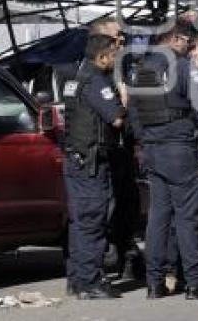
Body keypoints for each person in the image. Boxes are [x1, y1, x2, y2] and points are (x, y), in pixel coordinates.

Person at [127, 22, 198, 300]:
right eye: (187, 41)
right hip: (179, 148)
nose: (190, 46)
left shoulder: (140, 70)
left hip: (152, 149)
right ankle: (195, 282)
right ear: (175, 39)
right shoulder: (183, 67)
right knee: (187, 217)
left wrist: (143, 143)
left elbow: (133, 112)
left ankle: (154, 282)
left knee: (158, 217)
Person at [62, 34, 126, 299]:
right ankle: (90, 282)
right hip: (90, 163)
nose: (115, 59)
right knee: (92, 221)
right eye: (112, 55)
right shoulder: (97, 81)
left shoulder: (76, 77)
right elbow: (116, 119)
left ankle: (78, 279)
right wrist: (124, 99)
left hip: (77, 159)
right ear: (101, 57)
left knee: (81, 222)